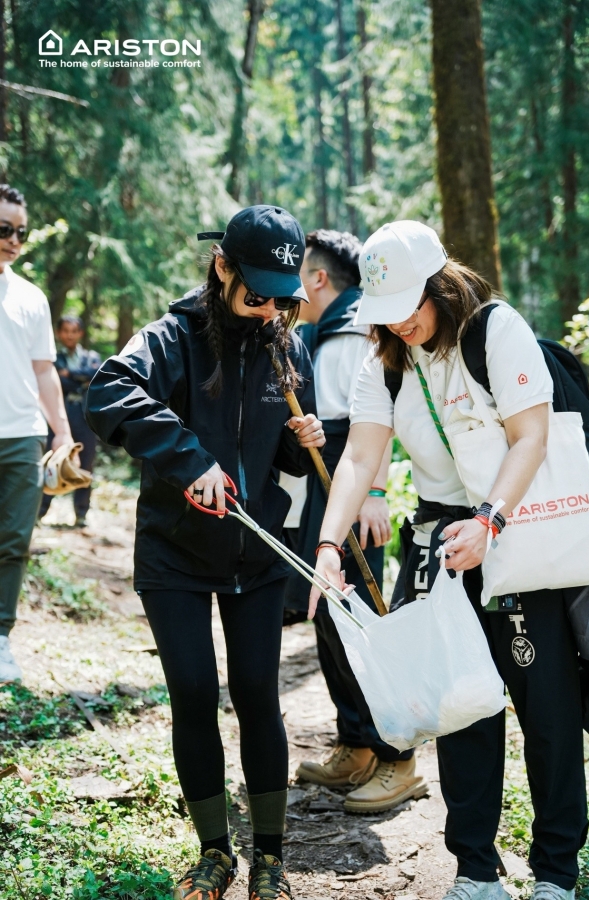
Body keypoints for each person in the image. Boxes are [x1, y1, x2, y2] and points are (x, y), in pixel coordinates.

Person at [310, 220, 587, 900]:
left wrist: (490, 520)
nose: (398, 323)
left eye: (408, 305)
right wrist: (326, 543)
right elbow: (359, 457)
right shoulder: (386, 360)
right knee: (461, 707)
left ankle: (555, 870)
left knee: (546, 710)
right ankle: (474, 868)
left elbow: (530, 436)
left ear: (440, 284)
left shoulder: (495, 331)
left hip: (520, 535)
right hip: (442, 544)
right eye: (386, 312)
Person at [86, 205, 325, 900]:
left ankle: (271, 858)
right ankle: (215, 851)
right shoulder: (169, 338)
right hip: (175, 554)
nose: (267, 310)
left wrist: (301, 439)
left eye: (282, 297)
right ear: (221, 266)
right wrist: (189, 461)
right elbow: (109, 391)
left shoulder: (287, 342)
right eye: (256, 294)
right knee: (194, 693)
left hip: (255, 551)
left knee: (257, 696)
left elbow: (277, 457)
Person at [282, 229, 427, 812]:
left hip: (349, 488)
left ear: (319, 279)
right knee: (331, 619)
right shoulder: (325, 330)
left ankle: (393, 754)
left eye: (298, 274)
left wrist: (371, 491)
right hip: (325, 490)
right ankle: (356, 743)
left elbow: (369, 427)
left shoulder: (351, 333)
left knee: (360, 624)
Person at [0, 183, 74, 684]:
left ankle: (0, 637)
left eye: (21, 232)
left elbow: (45, 372)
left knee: (13, 541)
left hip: (21, 436)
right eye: (4, 229)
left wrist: (62, 434)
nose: (14, 240)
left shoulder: (30, 298)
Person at [38, 315, 101, 527]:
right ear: (59, 333)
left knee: (85, 464)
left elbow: (97, 374)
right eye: (65, 330)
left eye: (74, 331)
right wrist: (79, 381)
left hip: (85, 418)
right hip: (59, 416)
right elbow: (54, 380)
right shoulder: (54, 357)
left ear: (80, 333)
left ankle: (81, 514)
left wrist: (70, 375)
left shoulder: (90, 356)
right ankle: (39, 512)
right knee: (50, 462)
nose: (69, 335)